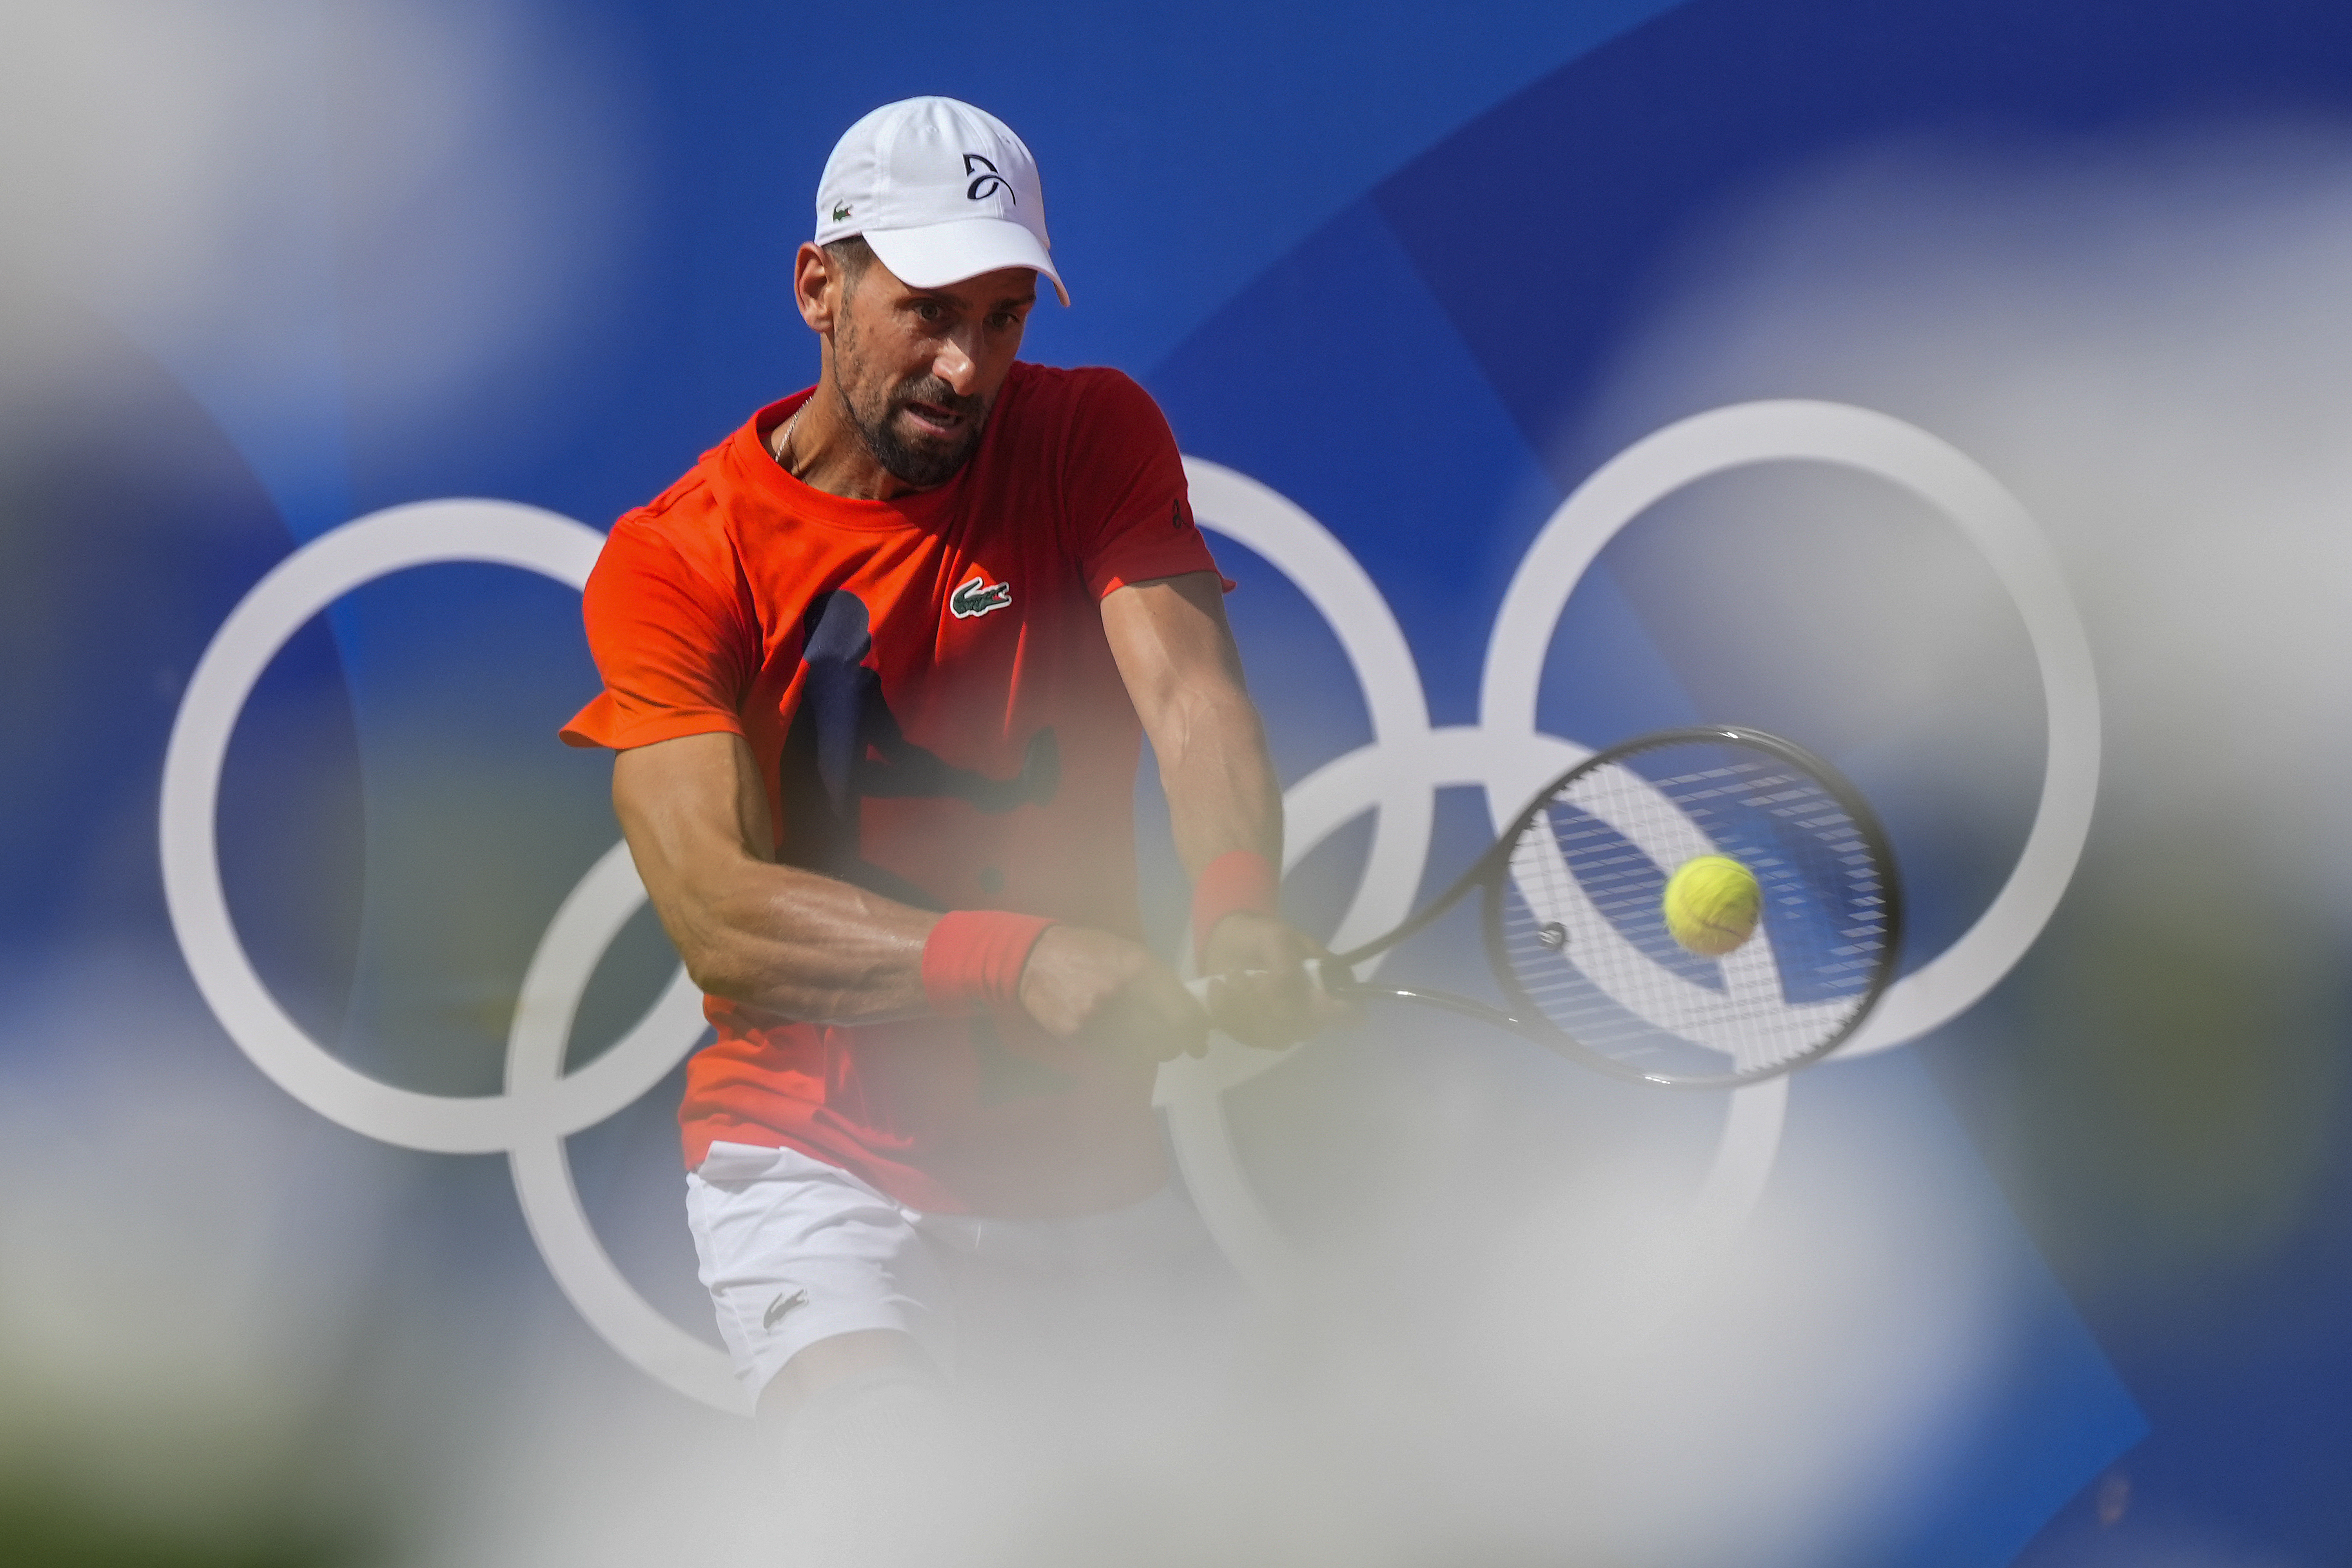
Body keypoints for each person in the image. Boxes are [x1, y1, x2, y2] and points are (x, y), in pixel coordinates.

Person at [559, 95, 1345, 1548]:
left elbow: (1191, 703)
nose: (966, 363)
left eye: (1000, 316)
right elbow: (717, 913)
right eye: (927, 311)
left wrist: (1236, 900)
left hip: (1088, 1180)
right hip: (813, 1168)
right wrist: (1021, 957)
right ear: (820, 287)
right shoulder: (677, 562)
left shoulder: (1097, 434)